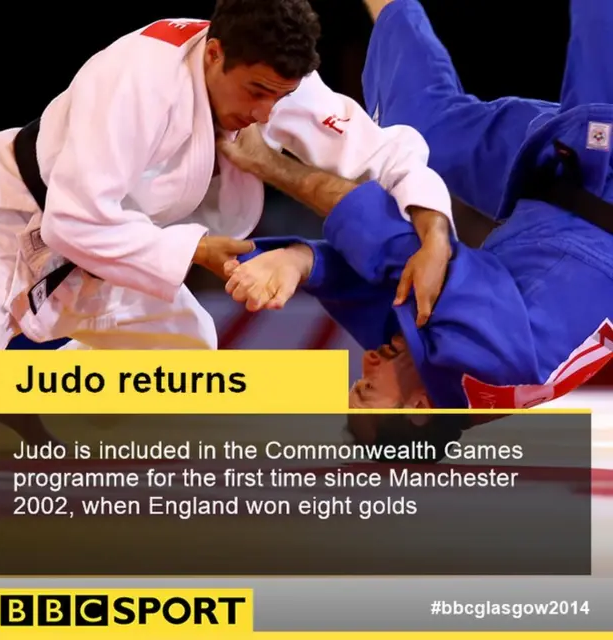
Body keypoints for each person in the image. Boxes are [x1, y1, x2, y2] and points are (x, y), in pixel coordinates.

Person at [0, 0, 457, 443]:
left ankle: (18, 395)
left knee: (183, 354)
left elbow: (382, 151)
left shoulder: (275, 77)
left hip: (96, 258)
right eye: (258, 92)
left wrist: (434, 233)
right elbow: (73, 220)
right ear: (214, 53)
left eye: (280, 96)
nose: (265, 113)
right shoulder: (138, 78)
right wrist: (197, 250)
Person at [217, 0, 613, 451]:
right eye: (368, 391)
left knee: (420, 137)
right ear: (421, 409)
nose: (364, 361)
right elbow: (390, 237)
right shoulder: (489, 367)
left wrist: (296, 260)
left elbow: (367, 280)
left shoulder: (435, 363)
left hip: (548, 190)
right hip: (601, 178)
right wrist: (269, 165)